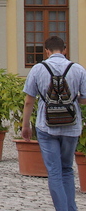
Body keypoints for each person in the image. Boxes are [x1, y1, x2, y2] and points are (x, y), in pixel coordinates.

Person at [21, 36, 86, 211]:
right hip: (71, 127)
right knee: (67, 169)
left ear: (46, 51)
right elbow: (85, 100)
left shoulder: (37, 69)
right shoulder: (78, 69)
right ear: (64, 50)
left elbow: (29, 101)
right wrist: (72, 100)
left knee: (54, 172)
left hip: (46, 126)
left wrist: (26, 126)